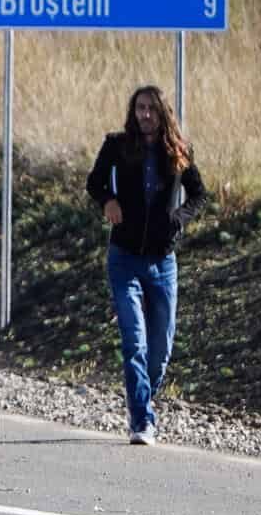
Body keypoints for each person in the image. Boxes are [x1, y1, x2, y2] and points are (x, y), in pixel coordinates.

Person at [87, 84, 208, 445]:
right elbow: (94, 182)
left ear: (162, 113)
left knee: (160, 351)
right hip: (124, 259)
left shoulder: (179, 151)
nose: (144, 115)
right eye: (139, 108)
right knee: (134, 342)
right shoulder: (118, 145)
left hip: (162, 262)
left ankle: (144, 394)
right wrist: (108, 201)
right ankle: (142, 419)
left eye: (150, 109)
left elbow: (200, 193)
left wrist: (179, 217)